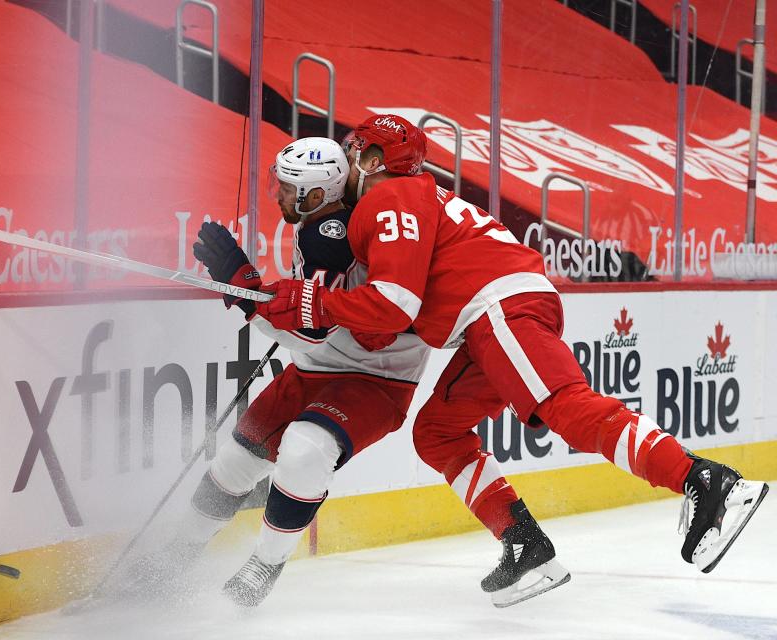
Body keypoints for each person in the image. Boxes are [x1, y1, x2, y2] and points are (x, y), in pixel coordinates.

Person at [254, 114, 769, 581]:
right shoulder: (411, 198)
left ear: (373, 161)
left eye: (357, 150)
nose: (347, 160)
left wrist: (312, 303)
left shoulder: (389, 199)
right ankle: (524, 544)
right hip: (489, 315)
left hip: (498, 306)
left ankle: (704, 479)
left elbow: (393, 305)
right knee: (436, 433)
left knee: (564, 405)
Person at [143, 136, 563, 609]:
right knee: (235, 464)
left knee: (305, 449)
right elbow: (315, 329)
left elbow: (319, 329)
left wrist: (245, 291)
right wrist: (253, 295)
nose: (276, 195)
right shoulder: (327, 223)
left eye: (284, 187)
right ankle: (175, 557)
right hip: (314, 369)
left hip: (374, 381)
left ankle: (264, 563)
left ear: (316, 194)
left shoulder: (334, 238)